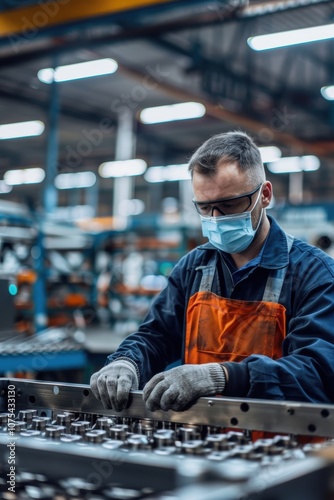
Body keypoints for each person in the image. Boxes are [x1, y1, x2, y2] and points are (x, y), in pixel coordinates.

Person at [90, 130, 334, 413]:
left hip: (283, 445)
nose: (216, 219)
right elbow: (156, 336)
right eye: (205, 208)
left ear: (264, 195)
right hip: (204, 441)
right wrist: (127, 362)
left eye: (229, 205)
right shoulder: (193, 267)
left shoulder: (315, 275)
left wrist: (222, 376)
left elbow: (318, 371)